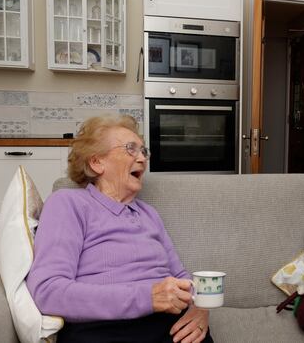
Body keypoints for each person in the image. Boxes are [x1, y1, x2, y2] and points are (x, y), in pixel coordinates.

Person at [26, 115, 212, 343]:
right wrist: (147, 297)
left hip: (170, 325)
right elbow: (48, 291)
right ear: (97, 162)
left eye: (144, 151)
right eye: (131, 149)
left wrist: (200, 309)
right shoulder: (68, 203)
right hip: (101, 328)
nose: (143, 158)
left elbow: (181, 277)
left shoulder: (149, 214)